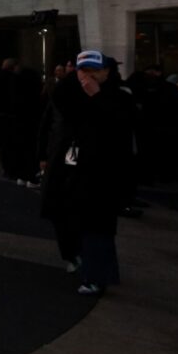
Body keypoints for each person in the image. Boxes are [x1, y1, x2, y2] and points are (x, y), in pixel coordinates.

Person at [39, 49, 136, 296]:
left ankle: (96, 275)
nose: (89, 76)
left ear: (107, 71)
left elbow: (119, 127)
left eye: (95, 71)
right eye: (84, 71)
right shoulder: (68, 94)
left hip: (102, 172)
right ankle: (79, 259)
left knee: (97, 226)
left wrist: (97, 96)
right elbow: (56, 120)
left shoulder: (118, 95)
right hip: (69, 169)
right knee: (68, 217)